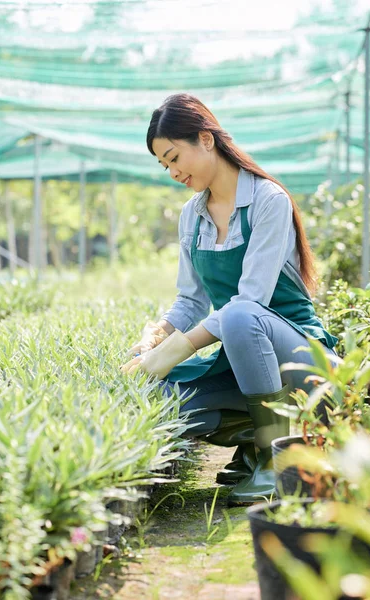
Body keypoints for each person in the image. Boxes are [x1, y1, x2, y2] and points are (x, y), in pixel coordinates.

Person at [121, 93, 338, 505]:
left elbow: (250, 302)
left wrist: (178, 349)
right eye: (163, 164)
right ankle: (258, 442)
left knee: (239, 316)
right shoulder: (192, 215)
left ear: (205, 139)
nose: (171, 171)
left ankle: (282, 464)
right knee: (165, 399)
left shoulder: (267, 201)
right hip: (244, 361)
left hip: (300, 359)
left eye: (173, 157)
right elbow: (190, 301)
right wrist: (158, 337)